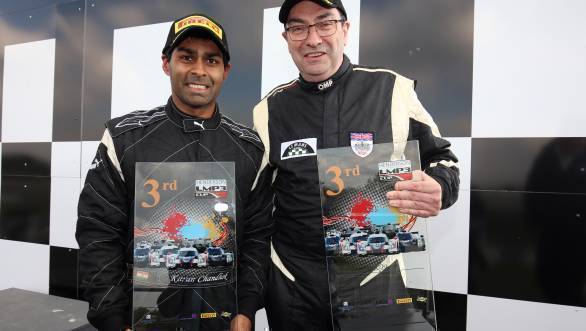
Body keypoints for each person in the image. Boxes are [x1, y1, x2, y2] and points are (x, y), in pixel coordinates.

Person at [252, 0, 460, 329]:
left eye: (324, 23)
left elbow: (443, 160)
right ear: (287, 37)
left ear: (345, 29)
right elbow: (254, 204)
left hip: (375, 277)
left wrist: (439, 187)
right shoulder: (268, 110)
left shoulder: (391, 89)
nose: (312, 38)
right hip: (295, 286)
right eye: (298, 27)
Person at [76, 13, 271, 331]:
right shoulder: (125, 138)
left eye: (211, 59)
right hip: (141, 320)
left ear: (225, 71)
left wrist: (246, 311)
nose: (199, 70)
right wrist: (113, 319)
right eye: (186, 57)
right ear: (167, 63)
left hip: (222, 321)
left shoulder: (250, 149)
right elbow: (97, 234)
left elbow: (258, 239)